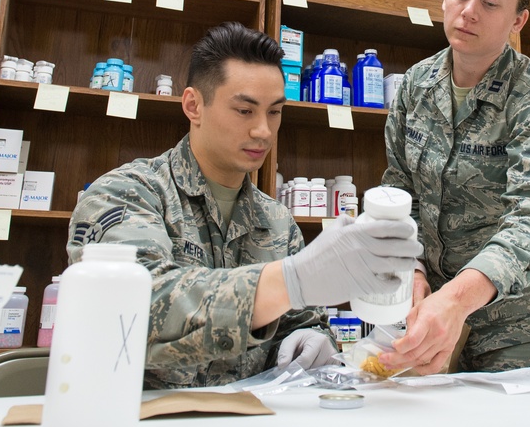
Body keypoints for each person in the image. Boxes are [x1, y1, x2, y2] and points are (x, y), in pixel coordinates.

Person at [68, 22, 420, 388]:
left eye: (274, 112)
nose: (263, 131)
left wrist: (311, 342)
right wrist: (290, 280)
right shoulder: (126, 194)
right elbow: (137, 308)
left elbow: (299, 323)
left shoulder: (278, 222)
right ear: (193, 105)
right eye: (244, 111)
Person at [379, 0, 530, 374]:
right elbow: (400, 190)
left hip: (529, 322)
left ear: (518, 20)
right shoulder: (416, 86)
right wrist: (412, 270)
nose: (469, 11)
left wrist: (457, 299)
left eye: (490, 3)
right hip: (438, 314)